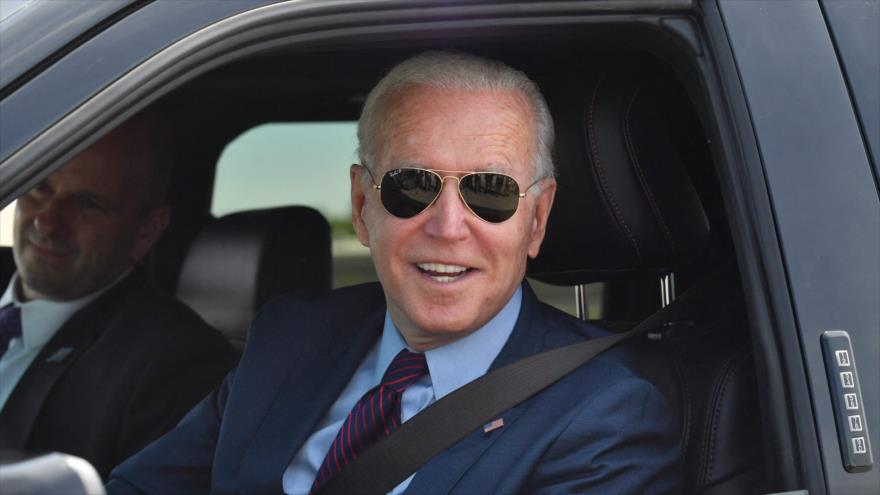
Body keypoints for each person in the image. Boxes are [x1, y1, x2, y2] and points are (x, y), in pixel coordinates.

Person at [107, 52, 682, 494]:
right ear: (362, 207)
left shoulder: (606, 412)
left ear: (536, 220)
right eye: (413, 186)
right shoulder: (288, 337)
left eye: (490, 191)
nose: (449, 225)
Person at [0, 111, 237, 479]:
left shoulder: (175, 362)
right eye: (40, 186)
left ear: (145, 231)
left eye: (87, 205)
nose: (47, 221)